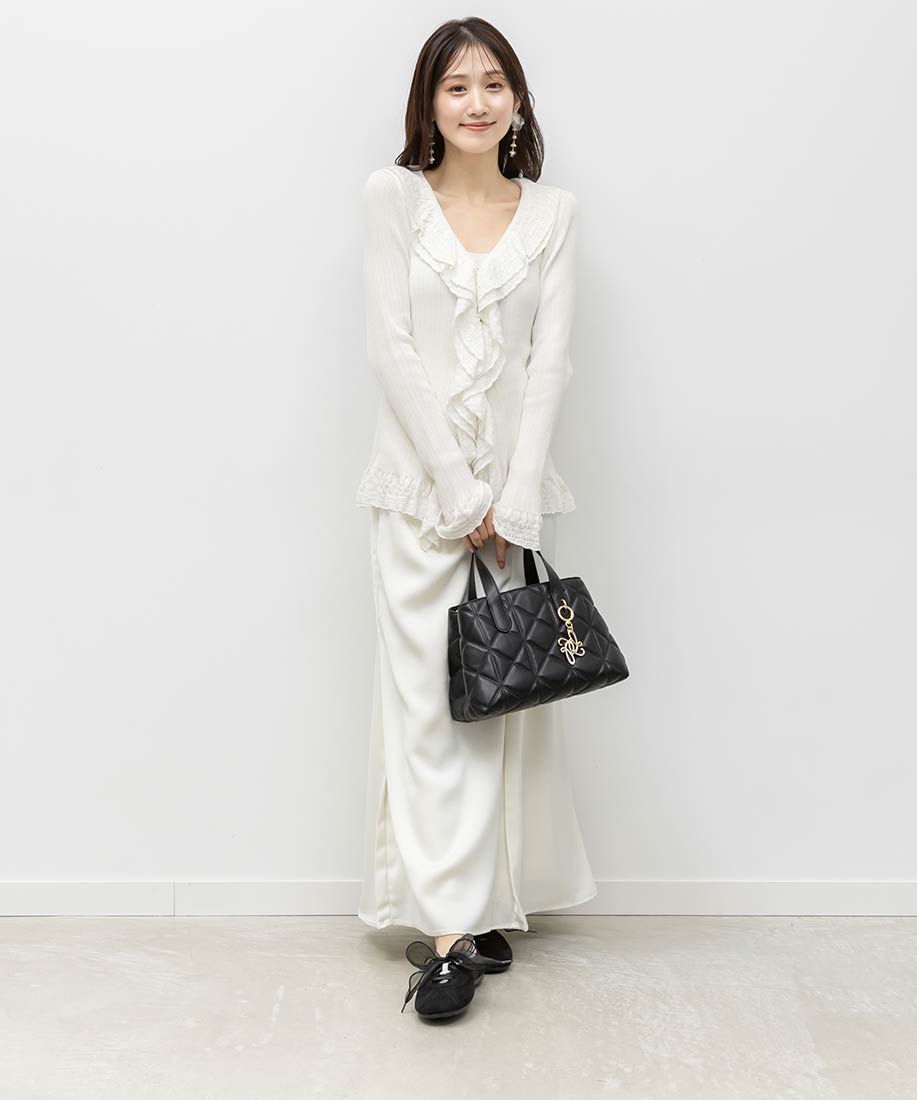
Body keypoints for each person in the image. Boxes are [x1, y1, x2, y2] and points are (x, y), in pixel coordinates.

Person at [354, 17, 597, 1020]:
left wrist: (514, 501)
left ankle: (481, 907)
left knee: (501, 708)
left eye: (493, 83)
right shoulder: (392, 198)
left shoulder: (554, 214)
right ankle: (448, 937)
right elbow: (389, 346)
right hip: (421, 501)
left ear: (517, 100)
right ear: (428, 102)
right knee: (426, 712)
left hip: (516, 507)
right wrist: (459, 493)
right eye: (455, 86)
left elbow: (548, 363)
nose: (476, 101)